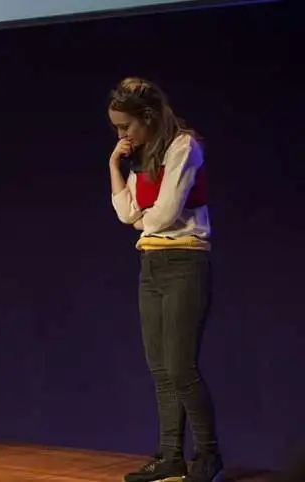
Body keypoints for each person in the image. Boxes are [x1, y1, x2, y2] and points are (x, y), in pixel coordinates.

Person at [108, 77, 222, 482]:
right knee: (160, 370)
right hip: (151, 265)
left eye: (126, 127)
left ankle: (207, 455)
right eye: (117, 129)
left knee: (181, 368)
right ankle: (170, 455)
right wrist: (113, 166)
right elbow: (127, 214)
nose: (122, 136)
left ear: (149, 117)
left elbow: (166, 213)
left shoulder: (183, 146)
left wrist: (145, 216)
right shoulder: (141, 158)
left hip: (184, 262)